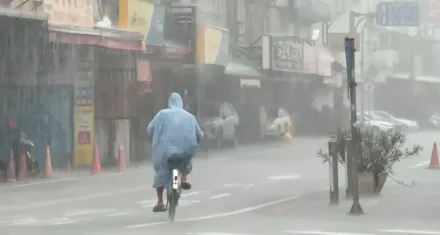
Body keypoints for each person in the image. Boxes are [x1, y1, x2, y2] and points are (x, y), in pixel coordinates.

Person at [147, 92, 203, 212]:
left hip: (166, 153)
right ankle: (183, 179)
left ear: (169, 103)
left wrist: (154, 139)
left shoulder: (162, 114)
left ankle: (160, 202)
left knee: (161, 174)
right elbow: (199, 134)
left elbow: (150, 129)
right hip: (184, 153)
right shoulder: (190, 117)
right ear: (181, 103)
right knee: (186, 161)